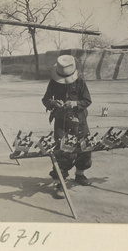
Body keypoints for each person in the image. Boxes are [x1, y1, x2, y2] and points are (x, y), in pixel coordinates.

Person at [42, 54, 92, 198]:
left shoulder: (80, 81)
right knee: (63, 150)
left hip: (80, 120)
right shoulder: (53, 82)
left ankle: (80, 174)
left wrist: (76, 104)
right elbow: (45, 99)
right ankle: (60, 182)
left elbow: (87, 100)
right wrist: (53, 103)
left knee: (84, 147)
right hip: (61, 121)